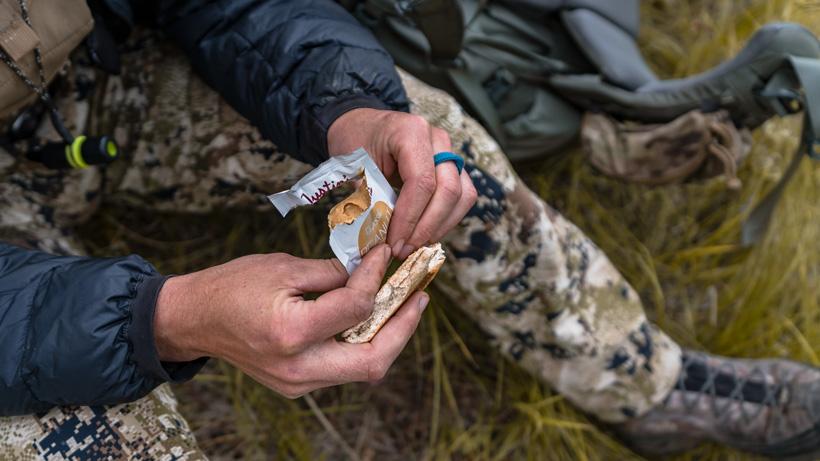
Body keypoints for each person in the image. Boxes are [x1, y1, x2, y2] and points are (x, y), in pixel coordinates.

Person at [0, 1, 818, 460]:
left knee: (419, 139)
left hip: (85, 102)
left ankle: (645, 380)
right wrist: (159, 318)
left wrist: (346, 102)